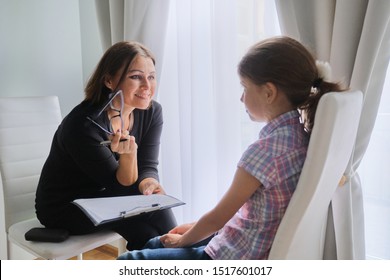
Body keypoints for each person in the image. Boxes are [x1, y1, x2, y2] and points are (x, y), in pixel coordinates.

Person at [117, 36, 347, 260]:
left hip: (235, 256)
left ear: (269, 92)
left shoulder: (264, 152)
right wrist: (195, 228)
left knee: (131, 260)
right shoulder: (302, 138)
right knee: (157, 242)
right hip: (249, 242)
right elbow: (247, 216)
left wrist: (185, 240)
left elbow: (219, 217)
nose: (241, 98)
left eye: (245, 88)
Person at [35, 41, 177, 250]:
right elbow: (119, 189)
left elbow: (148, 164)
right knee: (157, 211)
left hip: (108, 197)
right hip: (66, 206)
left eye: (152, 76)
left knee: (148, 227)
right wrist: (129, 157)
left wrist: (149, 182)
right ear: (109, 81)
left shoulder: (152, 112)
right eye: (136, 77)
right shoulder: (83, 125)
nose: (147, 86)